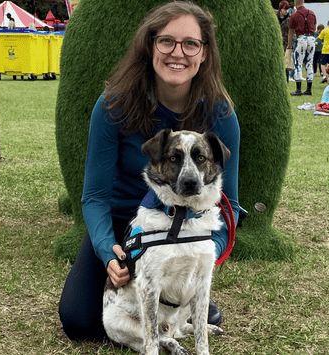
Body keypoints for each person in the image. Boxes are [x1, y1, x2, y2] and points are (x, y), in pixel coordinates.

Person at [58, 1, 241, 342]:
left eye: (191, 44)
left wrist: (201, 254)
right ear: (150, 45)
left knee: (178, 285)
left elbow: (228, 205)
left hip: (186, 224)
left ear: (204, 54)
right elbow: (94, 196)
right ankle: (157, 289)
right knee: (79, 322)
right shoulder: (114, 104)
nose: (178, 53)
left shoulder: (221, 115)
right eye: (166, 41)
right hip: (122, 220)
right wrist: (106, 248)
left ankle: (178, 295)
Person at [288, 0, 317, 96]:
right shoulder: (312, 13)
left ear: (295, 3)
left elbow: (291, 32)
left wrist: (289, 44)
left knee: (298, 64)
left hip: (301, 39)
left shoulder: (294, 16)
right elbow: (315, 27)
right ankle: (309, 88)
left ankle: (298, 89)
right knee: (309, 63)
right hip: (311, 39)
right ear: (303, 2)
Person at [278, 1, 294, 81]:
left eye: (287, 9)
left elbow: (292, 32)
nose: (286, 11)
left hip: (286, 43)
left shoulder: (290, 18)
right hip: (277, 42)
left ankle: (286, 80)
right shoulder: (275, 17)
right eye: (285, 9)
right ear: (281, 9)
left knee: (286, 63)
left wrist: (290, 44)